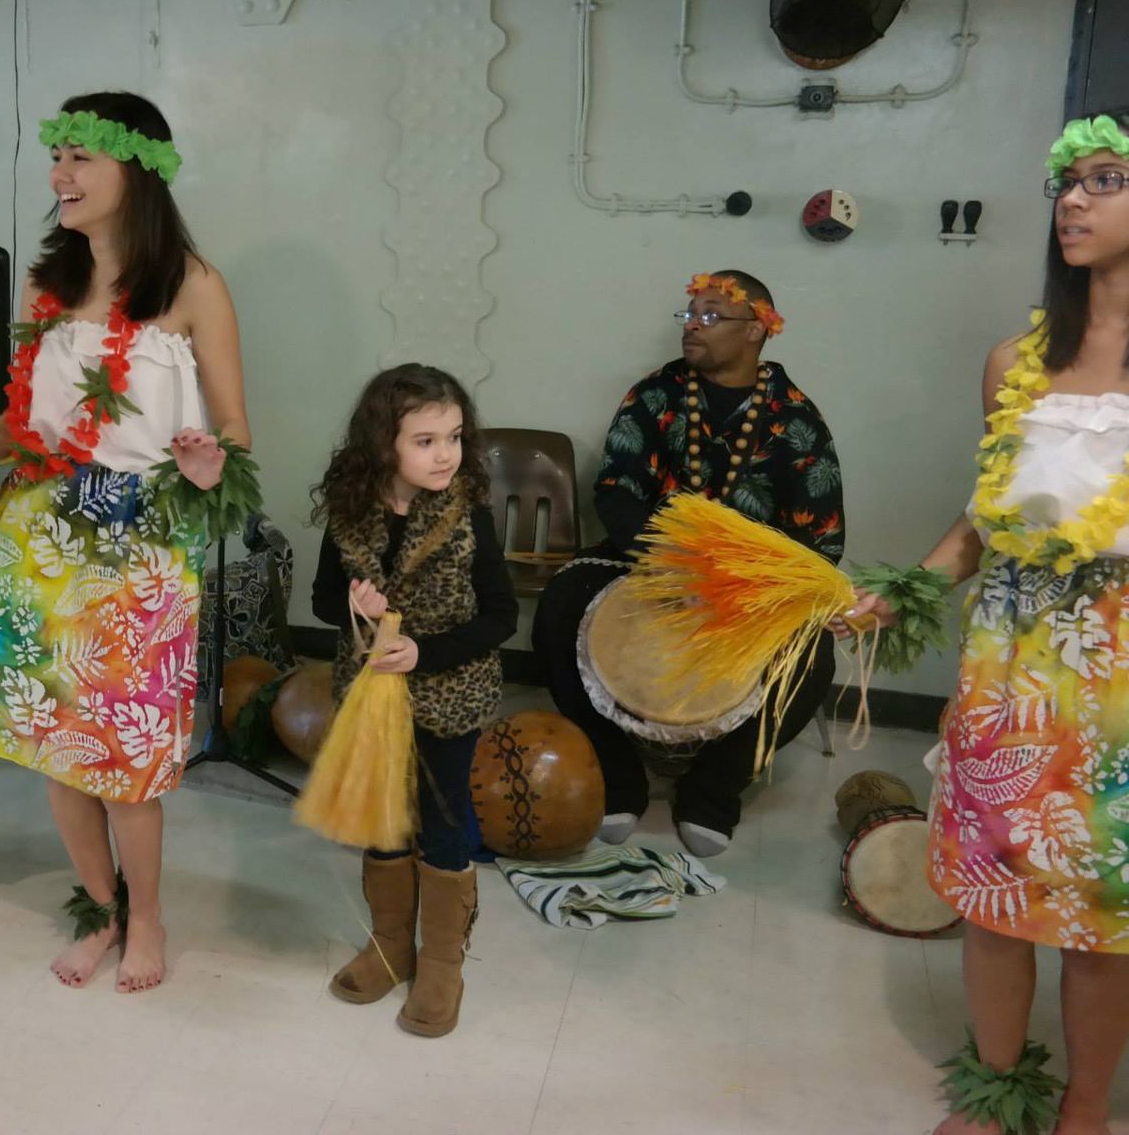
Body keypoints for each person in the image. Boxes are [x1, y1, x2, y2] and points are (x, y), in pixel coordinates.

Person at [848, 111, 1129, 1135]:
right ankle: (997, 1086)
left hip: (1122, 688)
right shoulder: (1014, 361)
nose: (1074, 199)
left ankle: (1086, 1108)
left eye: (1105, 179)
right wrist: (904, 592)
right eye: (1069, 181)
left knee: (1104, 922)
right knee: (997, 899)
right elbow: (983, 525)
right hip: (1009, 673)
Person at [0, 92, 250, 992]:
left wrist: (210, 465)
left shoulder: (194, 287)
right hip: (38, 536)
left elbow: (236, 437)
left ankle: (151, 916)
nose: (61, 175)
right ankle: (102, 906)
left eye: (82, 156)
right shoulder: (46, 284)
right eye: (59, 157)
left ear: (141, 168)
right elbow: (21, 422)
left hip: (140, 547)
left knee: (126, 762)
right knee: (59, 748)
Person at [531, 271, 844, 856]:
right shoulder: (657, 394)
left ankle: (713, 789)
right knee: (558, 608)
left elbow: (818, 537)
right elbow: (618, 489)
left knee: (814, 654)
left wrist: (744, 581)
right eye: (689, 315)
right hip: (648, 559)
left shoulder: (797, 420)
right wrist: (665, 559)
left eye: (709, 317)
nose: (692, 327)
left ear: (755, 331)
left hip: (747, 583)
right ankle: (617, 774)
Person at [309, 364, 518, 1038]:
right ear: (383, 443)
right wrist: (355, 607)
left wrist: (425, 653)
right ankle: (391, 945)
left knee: (442, 819)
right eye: (425, 440)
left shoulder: (468, 515)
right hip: (370, 697)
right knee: (384, 820)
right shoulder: (350, 513)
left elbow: (501, 616)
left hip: (448, 695)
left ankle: (443, 962)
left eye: (454, 437)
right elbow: (319, 598)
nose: (446, 454)